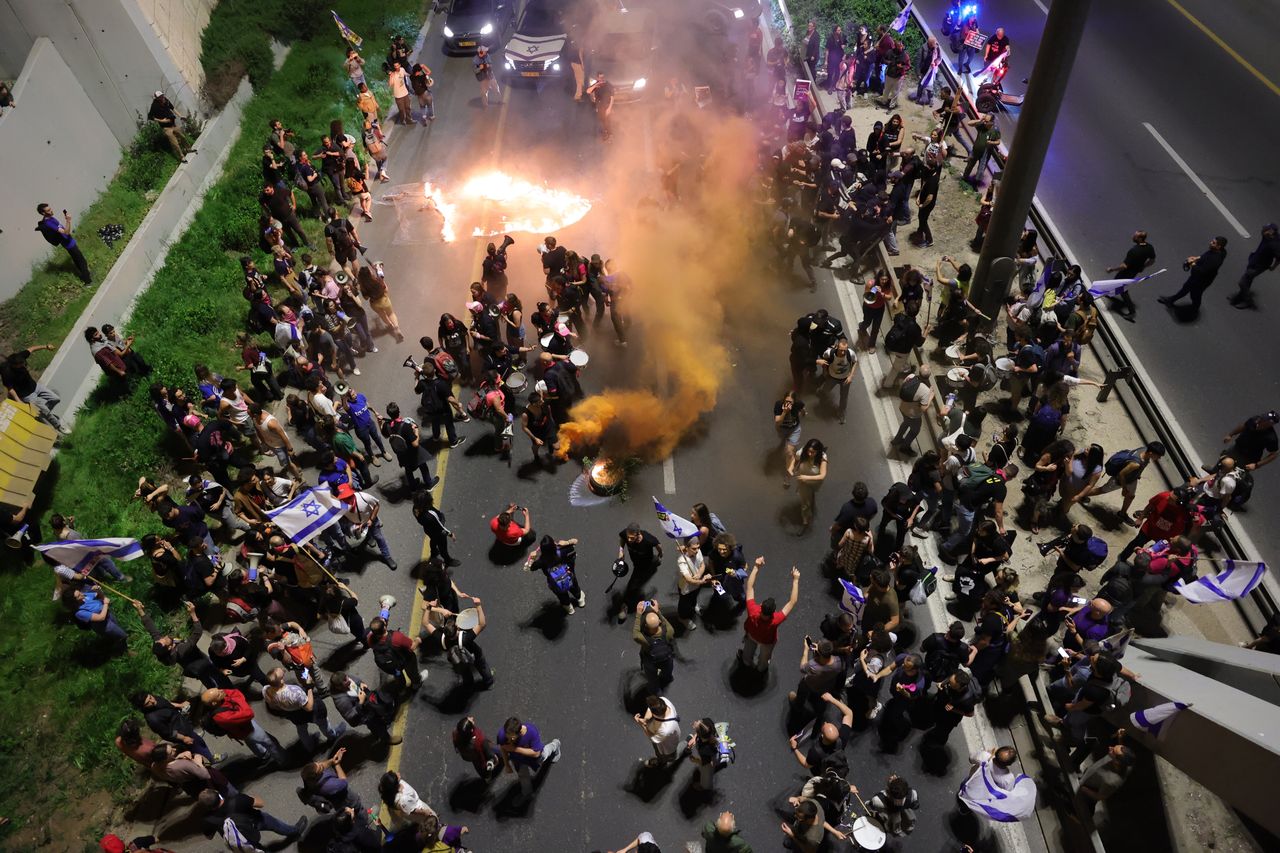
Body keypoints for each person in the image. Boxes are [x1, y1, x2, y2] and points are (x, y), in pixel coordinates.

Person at [200, 686, 288, 766]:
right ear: (214, 703)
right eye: (218, 693)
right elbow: (248, 713)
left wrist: (239, 704)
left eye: (218, 689)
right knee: (270, 742)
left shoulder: (218, 700)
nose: (222, 691)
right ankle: (283, 760)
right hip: (247, 730)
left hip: (241, 729)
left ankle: (263, 755)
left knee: (251, 742)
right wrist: (240, 703)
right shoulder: (222, 717)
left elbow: (235, 692)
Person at [263, 666, 346, 751]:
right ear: (281, 681)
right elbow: (309, 707)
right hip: (309, 711)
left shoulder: (266, 690)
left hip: (292, 714)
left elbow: (273, 706)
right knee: (323, 723)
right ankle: (332, 736)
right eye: (282, 674)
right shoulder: (294, 692)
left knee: (301, 729)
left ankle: (309, 746)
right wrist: (309, 686)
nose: (284, 671)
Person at [740, 559, 800, 672]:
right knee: (764, 658)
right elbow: (792, 601)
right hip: (766, 642)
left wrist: (756, 567)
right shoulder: (776, 619)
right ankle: (761, 668)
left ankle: (747, 662)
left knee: (747, 651)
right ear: (774, 611)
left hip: (751, 635)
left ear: (761, 605)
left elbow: (750, 587)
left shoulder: (753, 610)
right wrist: (795, 580)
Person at [196, 789, 306, 846]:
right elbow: (260, 803)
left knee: (253, 848)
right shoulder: (237, 800)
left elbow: (209, 837)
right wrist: (247, 797)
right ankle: (294, 832)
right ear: (218, 794)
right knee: (275, 824)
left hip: (239, 836)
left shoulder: (207, 820)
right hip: (256, 820)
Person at [1089, 441, 1166, 523]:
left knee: (1130, 496)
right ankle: (1081, 494)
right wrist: (1124, 489)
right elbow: (1121, 474)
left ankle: (1122, 513)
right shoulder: (1136, 464)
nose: (1159, 458)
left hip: (1132, 478)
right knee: (1101, 490)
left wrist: (1137, 474)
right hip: (1119, 481)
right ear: (1151, 453)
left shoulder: (1144, 449)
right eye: (1158, 456)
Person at [497, 716, 562, 801]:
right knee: (523, 776)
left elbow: (536, 753)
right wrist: (507, 764)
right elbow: (503, 748)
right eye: (507, 736)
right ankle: (526, 793)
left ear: (520, 733)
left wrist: (514, 749)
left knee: (545, 753)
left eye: (512, 738)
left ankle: (555, 744)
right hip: (518, 759)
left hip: (535, 757)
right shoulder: (503, 735)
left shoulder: (532, 732)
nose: (508, 740)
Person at [1159, 236, 1228, 313]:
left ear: (1219, 246)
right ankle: (1170, 300)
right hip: (1197, 277)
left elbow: (1201, 271)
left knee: (1195, 294)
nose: (1210, 243)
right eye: (1212, 241)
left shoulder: (1215, 260)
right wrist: (1196, 258)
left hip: (1201, 280)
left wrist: (1192, 263)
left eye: (1213, 243)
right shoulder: (1220, 251)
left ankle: (1195, 308)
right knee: (1186, 288)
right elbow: (1205, 256)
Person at [382, 401, 439, 490]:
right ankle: (429, 483)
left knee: (408, 469)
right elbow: (415, 444)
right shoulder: (406, 426)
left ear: (389, 414)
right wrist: (416, 430)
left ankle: (412, 487)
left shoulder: (387, 425)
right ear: (398, 411)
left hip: (401, 453)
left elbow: (385, 435)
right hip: (412, 451)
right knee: (422, 465)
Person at [615, 523, 664, 623]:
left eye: (632, 538)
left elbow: (658, 545)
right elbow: (622, 540)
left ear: (638, 534)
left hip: (645, 563)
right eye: (628, 537)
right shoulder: (626, 534)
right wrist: (621, 551)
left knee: (631, 586)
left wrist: (660, 553)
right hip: (636, 563)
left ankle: (625, 605)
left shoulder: (648, 539)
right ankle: (655, 562)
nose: (629, 540)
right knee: (650, 567)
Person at [525, 534, 586, 613]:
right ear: (553, 546)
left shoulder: (541, 561)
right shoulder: (561, 551)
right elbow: (575, 542)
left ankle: (569, 608)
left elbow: (530, 568)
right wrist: (567, 542)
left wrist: (532, 558)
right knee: (574, 588)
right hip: (568, 575)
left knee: (562, 596)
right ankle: (581, 601)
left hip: (555, 583)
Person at [35, 202, 91, 284]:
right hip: (69, 244)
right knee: (82, 261)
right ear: (43, 213)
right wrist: (68, 221)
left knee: (77, 260)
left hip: (69, 242)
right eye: (48, 210)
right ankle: (88, 282)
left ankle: (85, 275)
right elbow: (66, 233)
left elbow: (62, 229)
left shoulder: (50, 218)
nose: (51, 210)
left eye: (50, 208)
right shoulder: (49, 223)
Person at [61, 584, 128, 652]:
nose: (82, 594)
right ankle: (125, 650)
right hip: (104, 625)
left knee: (117, 631)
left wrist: (98, 590)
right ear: (73, 602)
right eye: (78, 596)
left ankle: (118, 643)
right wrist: (105, 604)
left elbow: (100, 596)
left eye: (79, 592)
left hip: (108, 615)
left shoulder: (84, 596)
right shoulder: (79, 613)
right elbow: (101, 618)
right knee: (122, 635)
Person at [366, 616, 427, 690]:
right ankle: (416, 683)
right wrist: (418, 640)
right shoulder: (397, 637)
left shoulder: (370, 638)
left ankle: (402, 686)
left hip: (392, 665)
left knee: (398, 674)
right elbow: (412, 647)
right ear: (384, 627)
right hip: (405, 660)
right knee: (412, 672)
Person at [1229, 223, 1280, 309]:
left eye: (1265, 229)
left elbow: (1279, 258)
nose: (1263, 230)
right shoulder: (1267, 235)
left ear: (1271, 232)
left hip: (1260, 266)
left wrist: (1273, 267)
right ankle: (1239, 297)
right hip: (1255, 259)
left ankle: (1248, 301)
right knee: (1248, 281)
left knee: (1242, 282)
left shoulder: (1275, 245)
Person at [634, 599, 677, 693]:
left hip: (651, 661)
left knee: (651, 676)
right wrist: (658, 611)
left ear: (645, 626)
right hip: (667, 658)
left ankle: (655, 690)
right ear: (660, 623)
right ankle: (667, 678)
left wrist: (638, 614)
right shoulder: (669, 632)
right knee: (668, 670)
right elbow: (666, 623)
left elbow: (635, 634)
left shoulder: (644, 639)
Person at [891, 365, 934, 454]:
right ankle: (905, 447)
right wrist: (931, 397)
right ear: (929, 377)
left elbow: (903, 387)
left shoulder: (910, 377)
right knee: (914, 431)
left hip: (902, 407)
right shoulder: (925, 390)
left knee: (905, 423)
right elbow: (924, 408)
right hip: (913, 415)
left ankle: (897, 440)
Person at [814, 337, 857, 424]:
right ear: (837, 347)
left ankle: (841, 413)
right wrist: (825, 371)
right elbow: (824, 360)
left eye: (844, 350)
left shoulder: (850, 353)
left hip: (845, 379)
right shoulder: (829, 353)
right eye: (841, 350)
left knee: (844, 398)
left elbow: (855, 362)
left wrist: (851, 376)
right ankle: (822, 393)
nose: (842, 352)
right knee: (825, 390)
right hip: (832, 377)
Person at [790, 438, 829, 530]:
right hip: (804, 483)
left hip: (815, 481)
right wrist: (791, 467)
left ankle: (811, 494)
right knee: (805, 502)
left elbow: (822, 475)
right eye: (809, 451)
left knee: (813, 491)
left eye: (813, 452)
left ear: (818, 452)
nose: (810, 454)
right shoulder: (802, 452)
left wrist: (806, 477)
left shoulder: (822, 457)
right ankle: (805, 518)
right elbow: (795, 460)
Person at [634, 694, 681, 767]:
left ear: (655, 715)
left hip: (668, 747)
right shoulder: (664, 701)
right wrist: (645, 720)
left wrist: (643, 725)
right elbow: (651, 709)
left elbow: (652, 737)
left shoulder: (665, 730)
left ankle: (661, 761)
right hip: (672, 735)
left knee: (668, 756)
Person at [147, 91, 191, 161]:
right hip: (166, 128)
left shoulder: (166, 100)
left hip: (173, 124)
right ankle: (182, 156)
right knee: (175, 143)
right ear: (157, 98)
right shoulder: (154, 106)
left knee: (182, 136)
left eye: (162, 95)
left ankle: (188, 149)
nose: (162, 97)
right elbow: (150, 117)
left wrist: (180, 116)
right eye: (160, 97)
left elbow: (173, 108)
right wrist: (162, 120)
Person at [587, 73, 615, 141]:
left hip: (606, 105)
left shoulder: (608, 85)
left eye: (602, 77)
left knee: (607, 121)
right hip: (599, 106)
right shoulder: (596, 84)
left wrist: (609, 108)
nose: (601, 79)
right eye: (600, 78)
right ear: (597, 78)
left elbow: (612, 97)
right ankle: (605, 134)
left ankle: (610, 135)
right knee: (602, 120)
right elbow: (588, 91)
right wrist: (595, 85)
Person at [388, 60, 413, 125]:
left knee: (408, 107)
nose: (396, 67)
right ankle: (403, 120)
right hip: (398, 95)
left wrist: (412, 75)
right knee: (401, 110)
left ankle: (409, 120)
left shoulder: (402, 69)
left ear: (400, 65)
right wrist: (390, 76)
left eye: (397, 65)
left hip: (405, 93)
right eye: (395, 66)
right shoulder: (393, 75)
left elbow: (406, 74)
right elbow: (390, 84)